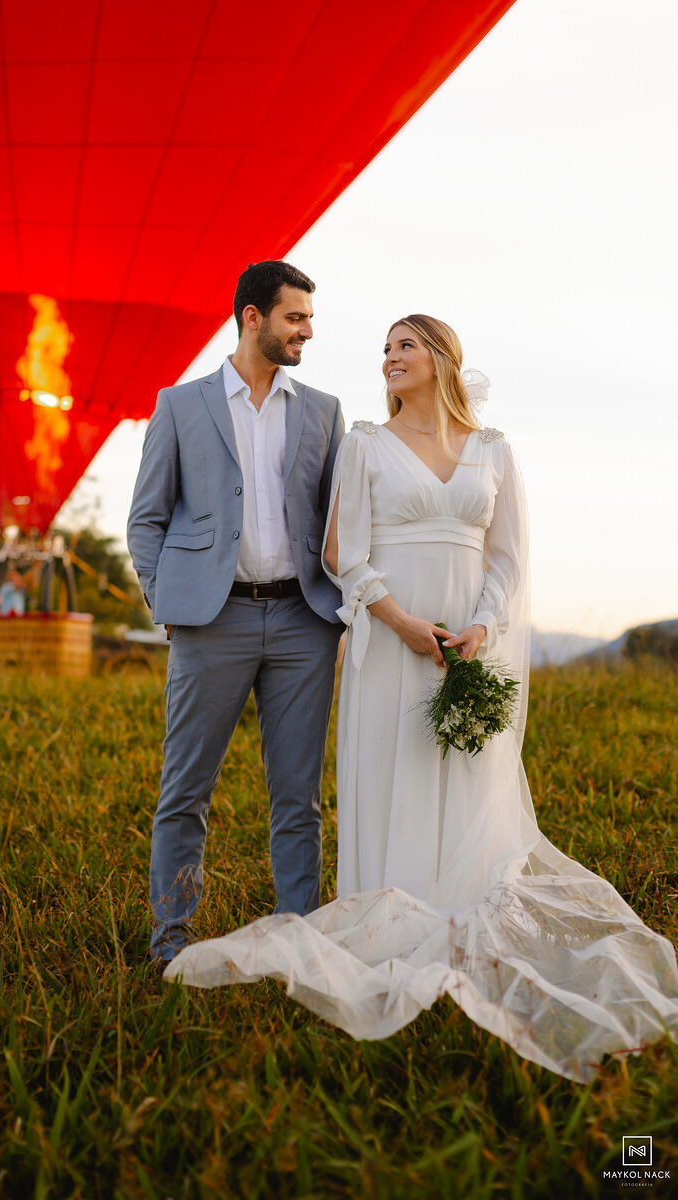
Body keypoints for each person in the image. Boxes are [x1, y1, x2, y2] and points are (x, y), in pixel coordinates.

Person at [164, 314, 678, 1082]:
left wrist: (482, 625)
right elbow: (341, 551)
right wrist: (400, 620)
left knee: (467, 781)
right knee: (397, 772)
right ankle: (394, 924)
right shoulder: (366, 443)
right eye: (385, 348)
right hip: (392, 641)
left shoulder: (494, 449)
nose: (390, 357)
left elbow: (507, 557)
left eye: (405, 345)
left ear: (441, 357)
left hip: (468, 643)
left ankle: (467, 926)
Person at [127, 260, 344, 969]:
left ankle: (299, 940)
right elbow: (146, 518)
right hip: (209, 621)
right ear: (253, 317)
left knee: (299, 798)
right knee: (185, 790)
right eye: (295, 317)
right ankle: (171, 942)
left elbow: (338, 518)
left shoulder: (324, 411)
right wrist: (166, 598)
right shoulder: (179, 405)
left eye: (308, 318)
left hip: (304, 623)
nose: (306, 331)